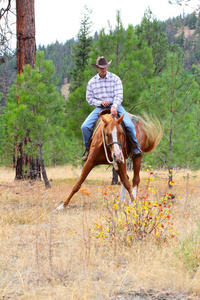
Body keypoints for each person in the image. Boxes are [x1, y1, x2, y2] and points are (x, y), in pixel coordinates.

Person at [81, 56, 142, 161]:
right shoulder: (92, 82)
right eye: (101, 67)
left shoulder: (115, 78)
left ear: (107, 67)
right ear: (97, 68)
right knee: (85, 127)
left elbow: (119, 95)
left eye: (105, 67)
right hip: (100, 108)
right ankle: (88, 150)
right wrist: (100, 102)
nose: (103, 69)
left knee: (129, 125)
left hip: (116, 106)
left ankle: (135, 147)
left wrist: (114, 106)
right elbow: (89, 98)